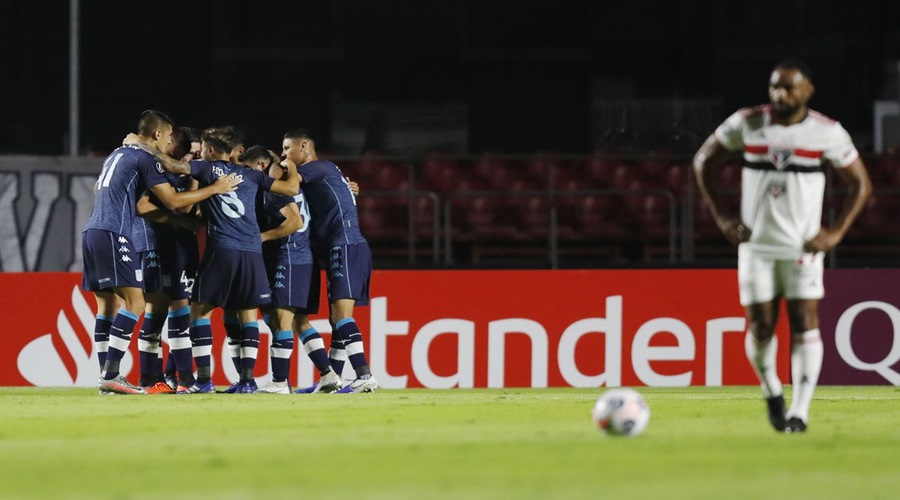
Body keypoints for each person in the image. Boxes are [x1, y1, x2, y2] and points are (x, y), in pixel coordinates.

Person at [693, 60, 872, 433]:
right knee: (760, 328)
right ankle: (772, 389)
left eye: (789, 88)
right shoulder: (747, 123)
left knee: (805, 322)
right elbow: (703, 161)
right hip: (757, 247)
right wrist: (723, 217)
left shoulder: (827, 132)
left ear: (808, 90)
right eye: (775, 87)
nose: (780, 94)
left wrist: (836, 232)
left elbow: (861, 184)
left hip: (801, 248)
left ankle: (800, 413)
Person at [83, 110, 241, 395]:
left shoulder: (117, 154)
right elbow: (172, 201)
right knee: (137, 304)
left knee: (114, 305)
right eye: (168, 136)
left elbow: (98, 187)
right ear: (158, 134)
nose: (169, 142)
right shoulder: (144, 159)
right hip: (115, 232)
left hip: (92, 230)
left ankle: (111, 375)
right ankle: (111, 375)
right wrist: (215, 188)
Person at [135, 127, 300, 394]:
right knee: (247, 313)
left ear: (211, 151)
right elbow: (292, 186)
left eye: (202, 150)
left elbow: (172, 165)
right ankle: (247, 381)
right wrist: (290, 165)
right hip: (252, 250)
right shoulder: (252, 174)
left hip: (222, 249)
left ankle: (203, 381)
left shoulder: (206, 169)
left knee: (199, 312)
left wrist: (141, 146)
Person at [281, 130, 378, 393]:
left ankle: (364, 375)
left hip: (344, 246)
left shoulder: (315, 167)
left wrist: (273, 170)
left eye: (287, 149)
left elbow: (289, 184)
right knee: (338, 319)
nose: (284, 155)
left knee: (340, 316)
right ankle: (333, 380)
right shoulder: (328, 170)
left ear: (303, 146)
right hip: (348, 245)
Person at [134, 126, 203, 393]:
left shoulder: (192, 175)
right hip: (157, 246)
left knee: (177, 310)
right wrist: (181, 219)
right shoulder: (156, 170)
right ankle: (168, 378)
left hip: (184, 248)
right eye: (188, 153)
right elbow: (150, 206)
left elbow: (194, 213)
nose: (190, 159)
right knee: (164, 309)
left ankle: (166, 378)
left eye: (196, 155)